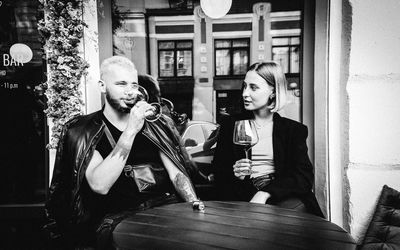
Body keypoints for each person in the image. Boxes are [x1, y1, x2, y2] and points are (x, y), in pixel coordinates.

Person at [44, 56, 198, 248]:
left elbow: (176, 175)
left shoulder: (154, 125)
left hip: (165, 210)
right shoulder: (83, 130)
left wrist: (194, 205)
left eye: (134, 85)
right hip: (117, 220)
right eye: (121, 84)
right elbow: (100, 185)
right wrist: (131, 130)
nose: (130, 92)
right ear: (102, 86)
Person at [213, 61, 323, 217]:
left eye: (253, 87)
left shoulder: (293, 130)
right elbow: (219, 172)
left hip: (281, 198)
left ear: (273, 91)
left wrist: (265, 193)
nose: (245, 93)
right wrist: (234, 172)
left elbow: (303, 177)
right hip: (242, 198)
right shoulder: (231, 125)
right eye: (245, 86)